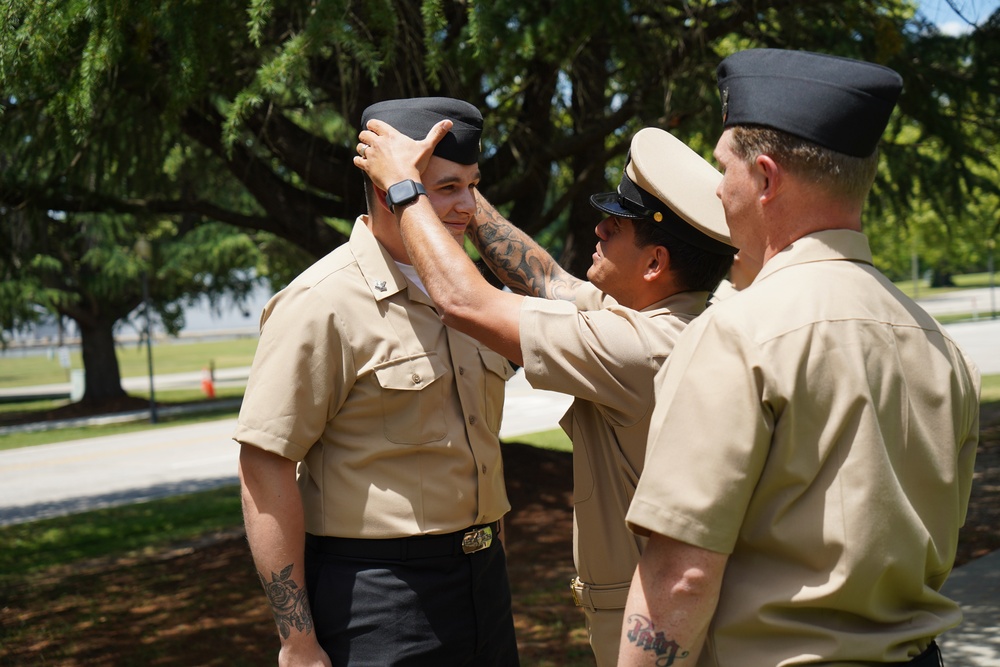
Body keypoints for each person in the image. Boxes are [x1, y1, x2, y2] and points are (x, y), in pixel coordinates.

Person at [620, 48, 981, 667]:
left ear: (764, 178)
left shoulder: (740, 331)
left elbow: (681, 576)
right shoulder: (938, 344)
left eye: (722, 168)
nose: (717, 188)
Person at [354, 121, 737, 665]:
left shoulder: (645, 348)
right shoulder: (669, 319)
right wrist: (458, 182)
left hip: (656, 634)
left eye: (617, 225)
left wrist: (404, 186)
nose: (598, 230)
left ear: (655, 264)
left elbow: (468, 304)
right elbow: (546, 280)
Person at [234, 97, 520, 667]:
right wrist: (297, 640)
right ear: (389, 184)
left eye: (472, 185)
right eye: (445, 188)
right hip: (379, 597)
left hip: (484, 582)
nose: (467, 206)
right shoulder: (323, 303)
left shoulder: (474, 299)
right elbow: (264, 466)